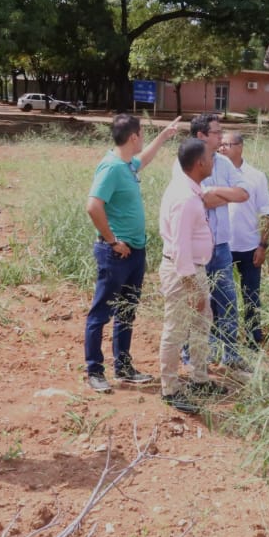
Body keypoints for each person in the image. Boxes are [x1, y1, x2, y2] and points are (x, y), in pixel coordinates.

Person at [84, 113, 183, 393]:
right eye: (142, 133)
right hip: (116, 253)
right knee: (101, 313)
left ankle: (124, 367)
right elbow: (93, 206)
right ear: (133, 137)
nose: (143, 138)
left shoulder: (127, 164)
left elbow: (145, 159)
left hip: (134, 252)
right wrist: (112, 240)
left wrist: (163, 136)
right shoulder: (112, 167)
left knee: (126, 311)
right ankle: (94, 370)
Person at [157, 138, 224, 414]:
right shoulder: (185, 198)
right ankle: (170, 388)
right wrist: (193, 287)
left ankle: (199, 379)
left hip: (195, 269)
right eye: (210, 156)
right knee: (176, 328)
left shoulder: (190, 189)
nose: (214, 159)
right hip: (183, 271)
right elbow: (181, 248)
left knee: (200, 324)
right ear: (199, 163)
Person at [184, 114, 251, 369]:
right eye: (216, 132)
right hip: (196, 249)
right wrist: (224, 195)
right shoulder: (185, 161)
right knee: (196, 303)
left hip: (222, 246)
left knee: (228, 302)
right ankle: (192, 356)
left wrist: (214, 193)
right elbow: (202, 200)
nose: (221, 137)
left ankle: (230, 355)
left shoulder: (223, 163)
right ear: (201, 136)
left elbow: (243, 194)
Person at [220, 131, 269, 348]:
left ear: (240, 147)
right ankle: (223, 338)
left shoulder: (255, 176)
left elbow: (266, 213)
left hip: (249, 246)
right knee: (221, 294)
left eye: (227, 144)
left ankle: (253, 338)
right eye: (220, 144)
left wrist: (262, 245)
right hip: (221, 246)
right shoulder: (214, 172)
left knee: (251, 294)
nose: (222, 148)